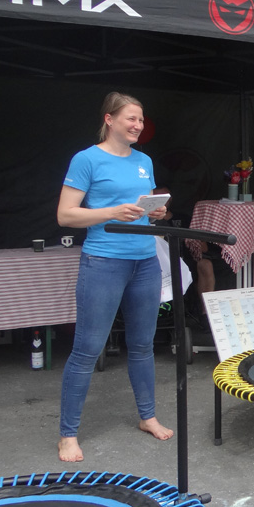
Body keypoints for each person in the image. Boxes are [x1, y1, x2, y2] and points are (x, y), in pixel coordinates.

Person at [56, 92, 174, 463]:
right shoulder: (87, 159)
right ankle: (68, 435)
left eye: (141, 119)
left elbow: (143, 207)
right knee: (87, 349)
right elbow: (65, 215)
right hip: (103, 261)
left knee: (142, 345)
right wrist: (111, 212)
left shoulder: (144, 161)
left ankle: (147, 416)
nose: (138, 125)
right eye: (131, 119)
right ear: (109, 119)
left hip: (145, 262)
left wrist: (156, 213)